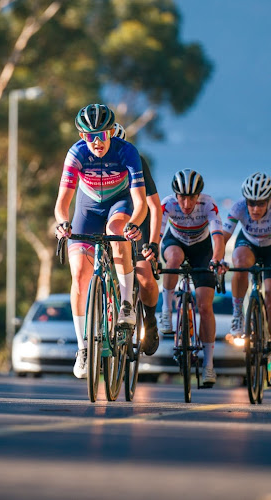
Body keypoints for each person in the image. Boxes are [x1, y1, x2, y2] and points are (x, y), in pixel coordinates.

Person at [54, 104, 147, 379]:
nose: (97, 142)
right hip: (87, 209)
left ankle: (126, 304)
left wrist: (134, 225)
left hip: (118, 203)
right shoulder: (76, 154)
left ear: (111, 133)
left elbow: (140, 202)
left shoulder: (126, 151)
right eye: (90, 136)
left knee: (117, 231)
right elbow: (62, 202)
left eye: (102, 135)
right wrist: (62, 223)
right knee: (80, 276)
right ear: (82, 136)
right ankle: (83, 348)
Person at [222, 172, 271, 387]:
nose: (255, 208)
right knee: (239, 262)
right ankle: (238, 313)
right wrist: (217, 258)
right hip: (248, 244)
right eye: (251, 203)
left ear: (269, 201)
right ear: (245, 201)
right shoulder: (238, 208)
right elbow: (223, 237)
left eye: (261, 203)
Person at [159, 169, 226, 386]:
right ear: (175, 195)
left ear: (199, 196)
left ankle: (208, 366)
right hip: (175, 242)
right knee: (174, 259)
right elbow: (158, 233)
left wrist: (216, 259)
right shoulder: (167, 204)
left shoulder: (208, 205)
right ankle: (167, 311)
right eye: (182, 197)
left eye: (192, 197)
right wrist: (150, 249)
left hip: (202, 249)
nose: (187, 203)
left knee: (205, 306)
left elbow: (217, 237)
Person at [111, 123, 161, 355]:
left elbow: (154, 206)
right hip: (114, 219)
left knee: (144, 276)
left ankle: (150, 322)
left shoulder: (136, 161)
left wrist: (154, 243)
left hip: (138, 221)